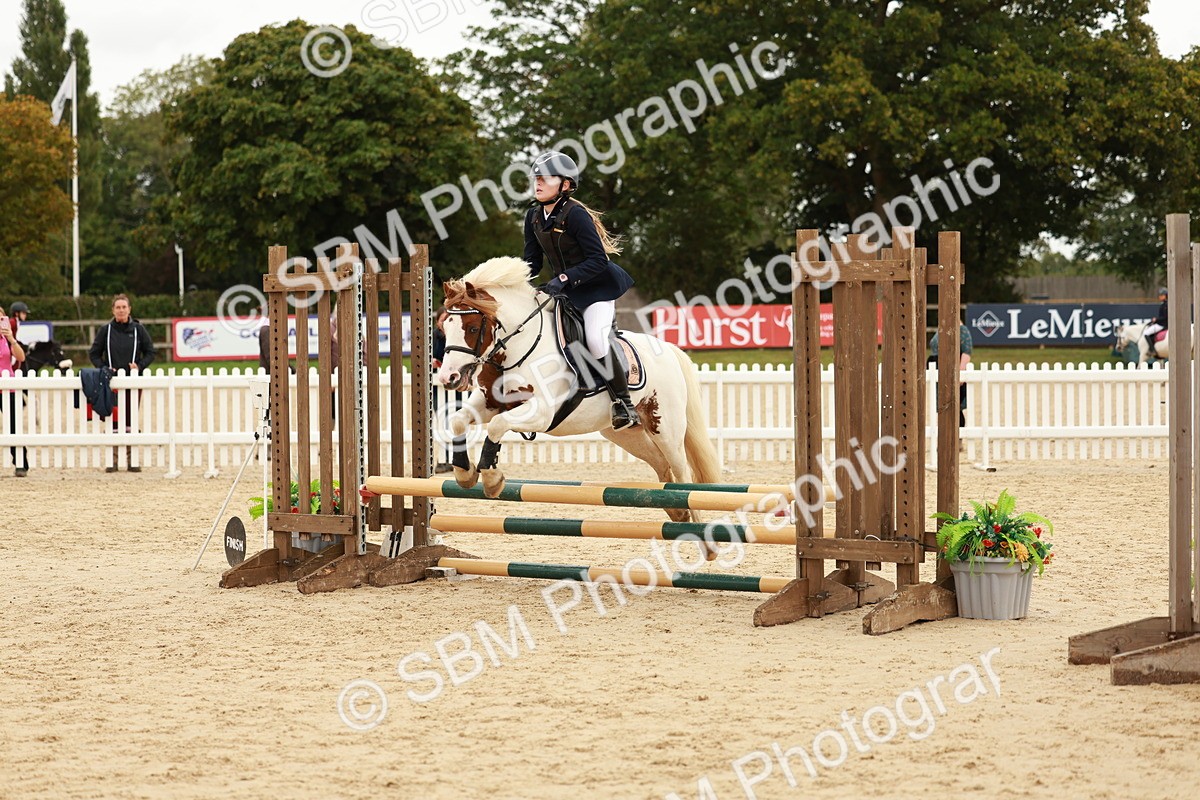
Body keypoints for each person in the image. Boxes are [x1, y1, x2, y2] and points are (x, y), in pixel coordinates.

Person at [523, 150, 639, 429]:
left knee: (596, 339)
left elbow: (598, 260)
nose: (538, 182)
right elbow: (532, 262)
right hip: (565, 291)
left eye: (545, 178)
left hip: (597, 289)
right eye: (536, 178)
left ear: (565, 184)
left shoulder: (575, 215)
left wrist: (563, 278)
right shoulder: (533, 217)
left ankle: (624, 404)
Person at [88, 294, 156, 472]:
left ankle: (132, 460)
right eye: (118, 307)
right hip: (111, 383)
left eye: (124, 307)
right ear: (113, 310)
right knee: (113, 421)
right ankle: (113, 461)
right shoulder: (106, 330)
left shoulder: (138, 329)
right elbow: (94, 353)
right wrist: (104, 368)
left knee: (130, 420)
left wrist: (139, 366)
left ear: (129, 309)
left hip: (133, 382)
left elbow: (150, 352)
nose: (121, 310)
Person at [928, 323, 973, 429]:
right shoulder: (943, 328)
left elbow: (966, 352)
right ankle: (944, 432)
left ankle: (958, 434)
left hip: (952, 371)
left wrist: (961, 373)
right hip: (939, 372)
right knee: (942, 406)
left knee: (955, 406)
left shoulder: (962, 330)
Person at [0, 307, 29, 476]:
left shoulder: (6, 338)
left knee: (13, 425)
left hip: (8, 387)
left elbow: (21, 357)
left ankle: (20, 463)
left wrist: (11, 339)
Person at [431, 305, 454, 473]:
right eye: (442, 320)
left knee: (457, 420)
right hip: (438, 385)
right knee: (442, 420)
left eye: (448, 319)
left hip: (456, 385)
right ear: (437, 322)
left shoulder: (456, 334)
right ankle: (444, 459)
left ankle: (458, 458)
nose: (445, 323)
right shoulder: (433, 336)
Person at [1142, 286, 1168, 356]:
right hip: (1162, 323)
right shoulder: (1164, 304)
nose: (1159, 296)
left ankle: (1152, 350)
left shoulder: (1165, 305)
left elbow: (1165, 317)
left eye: (1161, 295)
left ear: (1165, 296)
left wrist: (1156, 320)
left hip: (1162, 325)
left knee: (1146, 333)